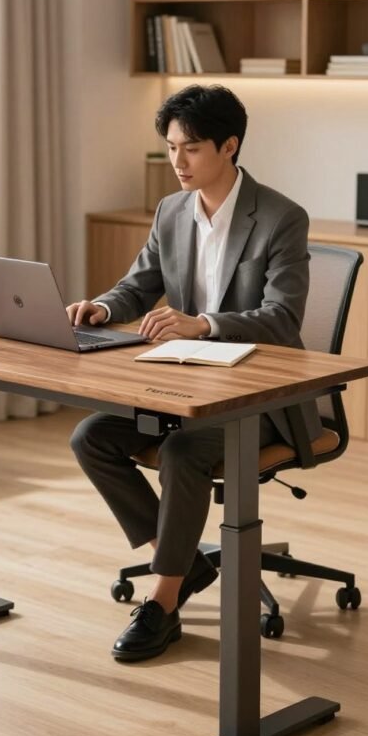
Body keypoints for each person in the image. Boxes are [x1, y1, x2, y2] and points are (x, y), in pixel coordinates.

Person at [67, 84, 322, 663]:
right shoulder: (172, 210)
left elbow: (282, 319)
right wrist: (103, 307)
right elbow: (141, 282)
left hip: (260, 397)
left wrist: (202, 325)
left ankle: (162, 599)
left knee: (183, 453)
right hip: (183, 386)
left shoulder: (280, 217)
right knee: (92, 437)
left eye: (191, 149)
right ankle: (186, 564)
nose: (176, 162)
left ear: (229, 146)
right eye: (171, 147)